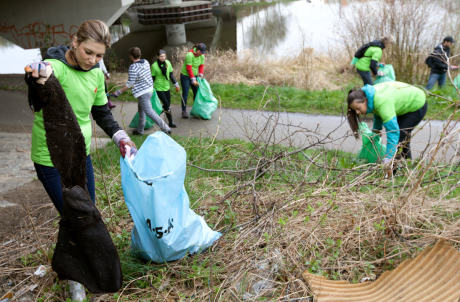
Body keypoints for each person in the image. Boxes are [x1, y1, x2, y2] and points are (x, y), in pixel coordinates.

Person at [25, 20, 136, 301]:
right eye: (89, 52)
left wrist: (120, 137)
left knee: (85, 214)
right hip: (50, 159)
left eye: (99, 56)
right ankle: (76, 279)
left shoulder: (97, 74)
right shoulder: (54, 67)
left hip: (81, 155)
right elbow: (38, 98)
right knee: (77, 217)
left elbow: (101, 113)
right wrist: (36, 80)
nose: (93, 60)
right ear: (74, 42)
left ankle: (73, 269)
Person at [347, 81, 427, 175]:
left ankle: (391, 172)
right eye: (355, 110)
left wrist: (388, 159)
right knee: (403, 137)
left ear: (365, 101)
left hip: (417, 103)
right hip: (404, 104)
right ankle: (407, 168)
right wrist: (376, 130)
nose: (357, 112)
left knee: (400, 136)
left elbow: (393, 132)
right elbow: (377, 111)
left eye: (358, 108)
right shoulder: (371, 96)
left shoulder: (381, 101)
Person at [113, 47, 171, 135]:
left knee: (149, 112)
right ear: (140, 55)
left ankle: (166, 128)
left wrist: (118, 92)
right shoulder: (146, 62)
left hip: (143, 93)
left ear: (131, 56)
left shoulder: (133, 67)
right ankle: (140, 130)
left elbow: (130, 84)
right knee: (141, 111)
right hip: (149, 90)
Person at [151, 49, 180, 128]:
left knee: (167, 105)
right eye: (161, 56)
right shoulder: (154, 66)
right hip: (158, 88)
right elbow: (152, 78)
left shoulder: (168, 63)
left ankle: (160, 113)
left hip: (167, 87)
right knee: (167, 105)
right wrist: (150, 88)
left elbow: (170, 75)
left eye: (164, 56)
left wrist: (176, 84)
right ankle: (170, 122)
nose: (163, 58)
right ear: (158, 57)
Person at [180, 43, 206, 118]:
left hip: (194, 75)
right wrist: (193, 79)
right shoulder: (189, 55)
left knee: (197, 92)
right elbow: (189, 68)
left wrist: (200, 74)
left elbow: (201, 66)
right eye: (201, 52)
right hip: (185, 76)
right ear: (197, 50)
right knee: (185, 93)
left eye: (203, 52)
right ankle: (184, 111)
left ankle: (196, 110)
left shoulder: (202, 56)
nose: (202, 54)